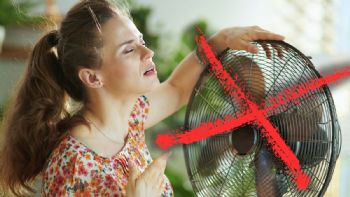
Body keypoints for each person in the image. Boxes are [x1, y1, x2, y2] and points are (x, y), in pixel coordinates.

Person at [0, 0, 284, 196]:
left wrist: (220, 40)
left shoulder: (129, 118)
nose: (147, 54)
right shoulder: (74, 163)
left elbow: (176, 90)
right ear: (92, 77)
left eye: (141, 42)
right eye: (128, 49)